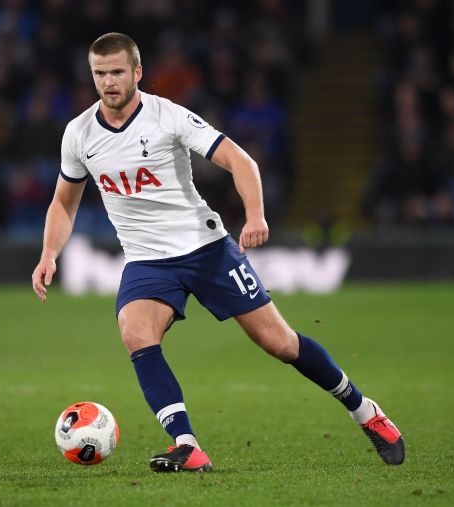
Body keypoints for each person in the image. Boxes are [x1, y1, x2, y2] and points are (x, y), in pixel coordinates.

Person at [32, 33, 404, 472]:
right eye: (99, 74)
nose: (108, 82)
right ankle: (188, 446)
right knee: (136, 333)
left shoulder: (166, 116)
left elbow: (239, 160)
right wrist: (49, 253)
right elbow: (63, 201)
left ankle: (366, 412)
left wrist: (255, 216)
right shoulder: (79, 134)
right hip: (146, 259)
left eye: (116, 72)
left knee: (280, 343)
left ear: (137, 72)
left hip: (205, 249)